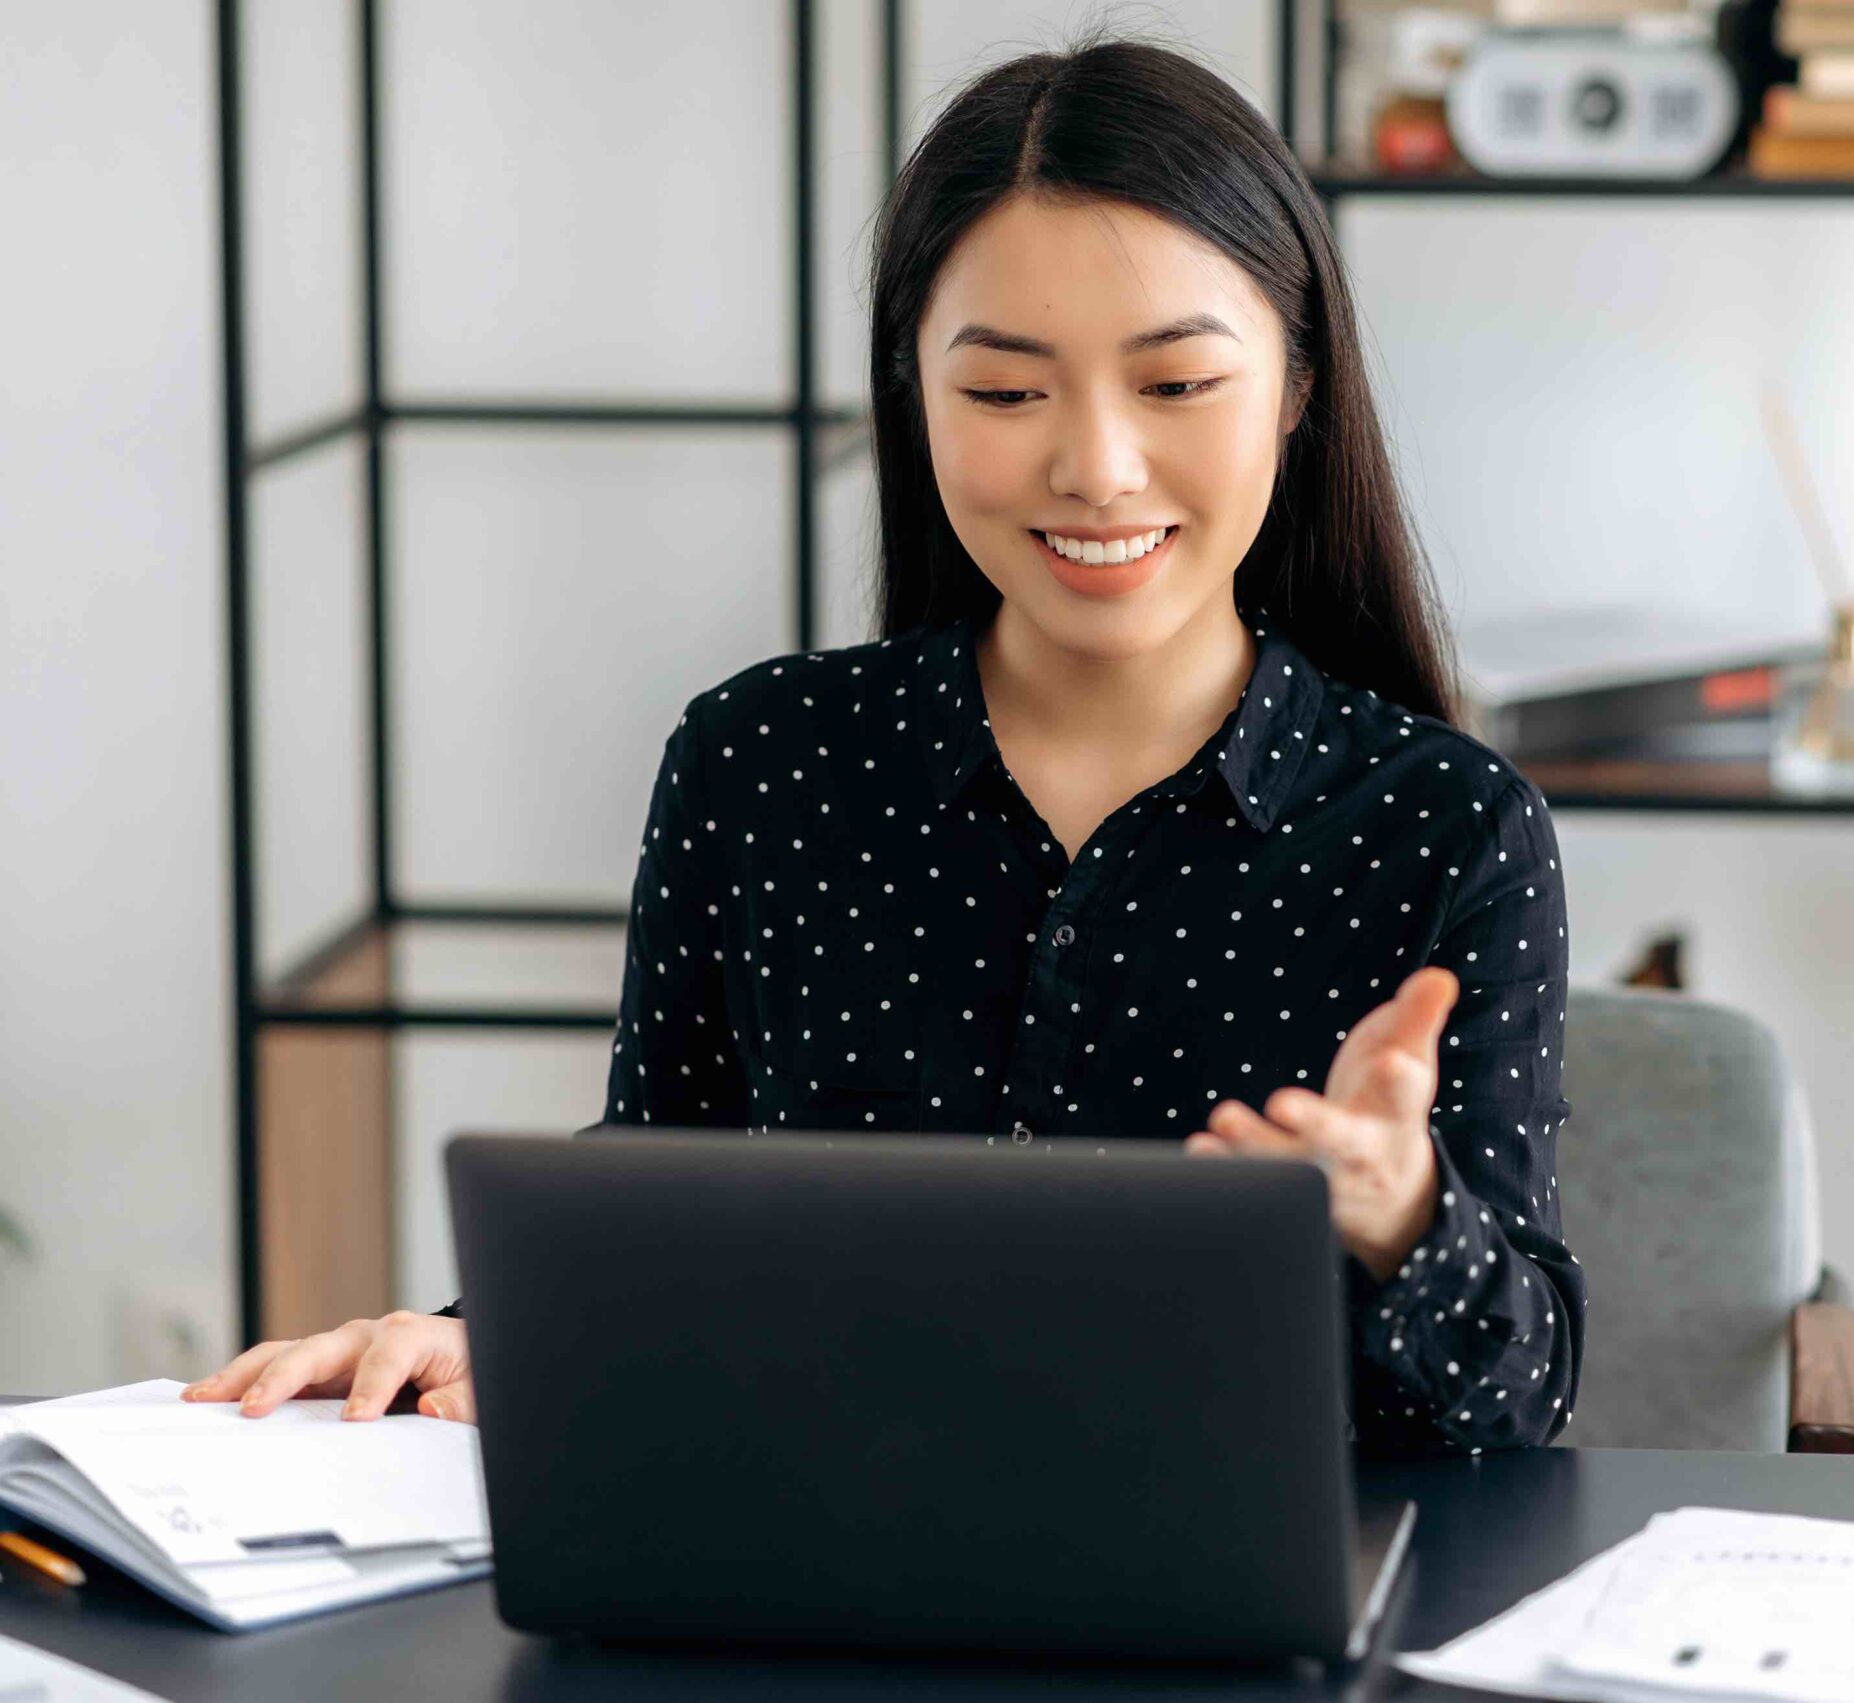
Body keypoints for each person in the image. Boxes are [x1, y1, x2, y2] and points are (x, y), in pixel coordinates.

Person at [184, 30, 1584, 1458]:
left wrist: (1404, 1216)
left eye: (1175, 386)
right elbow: (667, 1203)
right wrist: (480, 1330)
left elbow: (1523, 1402)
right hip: (819, 1565)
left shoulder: (1445, 826)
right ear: (913, 397)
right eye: (1002, 390)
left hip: (1251, 1616)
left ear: (1296, 386)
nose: (1096, 465)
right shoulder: (761, 761)